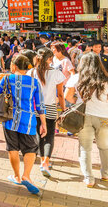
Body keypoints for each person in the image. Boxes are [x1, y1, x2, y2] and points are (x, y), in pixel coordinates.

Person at [0, 54, 47, 195]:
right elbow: (40, 105)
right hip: (28, 121)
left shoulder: (6, 79)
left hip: (9, 120)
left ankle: (17, 177)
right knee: (30, 148)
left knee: (12, 148)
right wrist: (44, 123)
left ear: (14, 66)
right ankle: (27, 175)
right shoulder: (34, 82)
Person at [64, 53, 108, 187]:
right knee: (105, 147)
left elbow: (67, 96)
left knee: (85, 148)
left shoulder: (77, 78)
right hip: (104, 117)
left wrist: (78, 102)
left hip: (84, 117)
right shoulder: (105, 79)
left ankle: (89, 178)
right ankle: (105, 173)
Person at [31, 48, 66, 177]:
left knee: (38, 134)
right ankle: (45, 162)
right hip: (50, 108)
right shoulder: (56, 73)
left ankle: (41, 160)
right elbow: (61, 95)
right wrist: (63, 109)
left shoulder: (31, 72)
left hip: (34, 108)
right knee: (49, 135)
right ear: (50, 59)